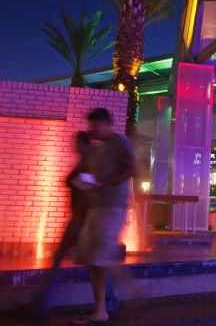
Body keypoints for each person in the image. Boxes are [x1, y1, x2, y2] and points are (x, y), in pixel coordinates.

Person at [31, 132, 118, 319]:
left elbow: (83, 185)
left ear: (82, 144)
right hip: (78, 220)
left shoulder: (91, 162)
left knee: (96, 264)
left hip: (85, 222)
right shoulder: (84, 162)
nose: (74, 147)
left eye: (76, 143)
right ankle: (40, 302)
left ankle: (108, 302)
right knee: (88, 262)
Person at [71, 108, 137, 326]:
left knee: (99, 255)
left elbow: (132, 170)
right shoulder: (100, 150)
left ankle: (134, 287)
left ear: (104, 123)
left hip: (113, 206)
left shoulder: (120, 143)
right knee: (92, 258)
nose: (91, 130)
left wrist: (102, 183)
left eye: (93, 125)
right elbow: (93, 173)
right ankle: (100, 311)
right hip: (96, 207)